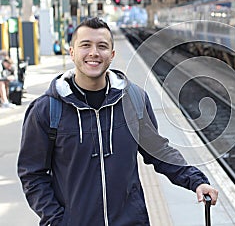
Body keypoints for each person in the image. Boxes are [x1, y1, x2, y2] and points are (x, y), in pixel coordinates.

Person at [17, 17, 218, 226]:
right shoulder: (46, 110)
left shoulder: (134, 100)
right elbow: (32, 174)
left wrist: (196, 181)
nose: (94, 53)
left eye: (102, 46)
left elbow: (159, 151)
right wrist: (56, 219)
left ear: (112, 55)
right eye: (85, 45)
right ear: (72, 52)